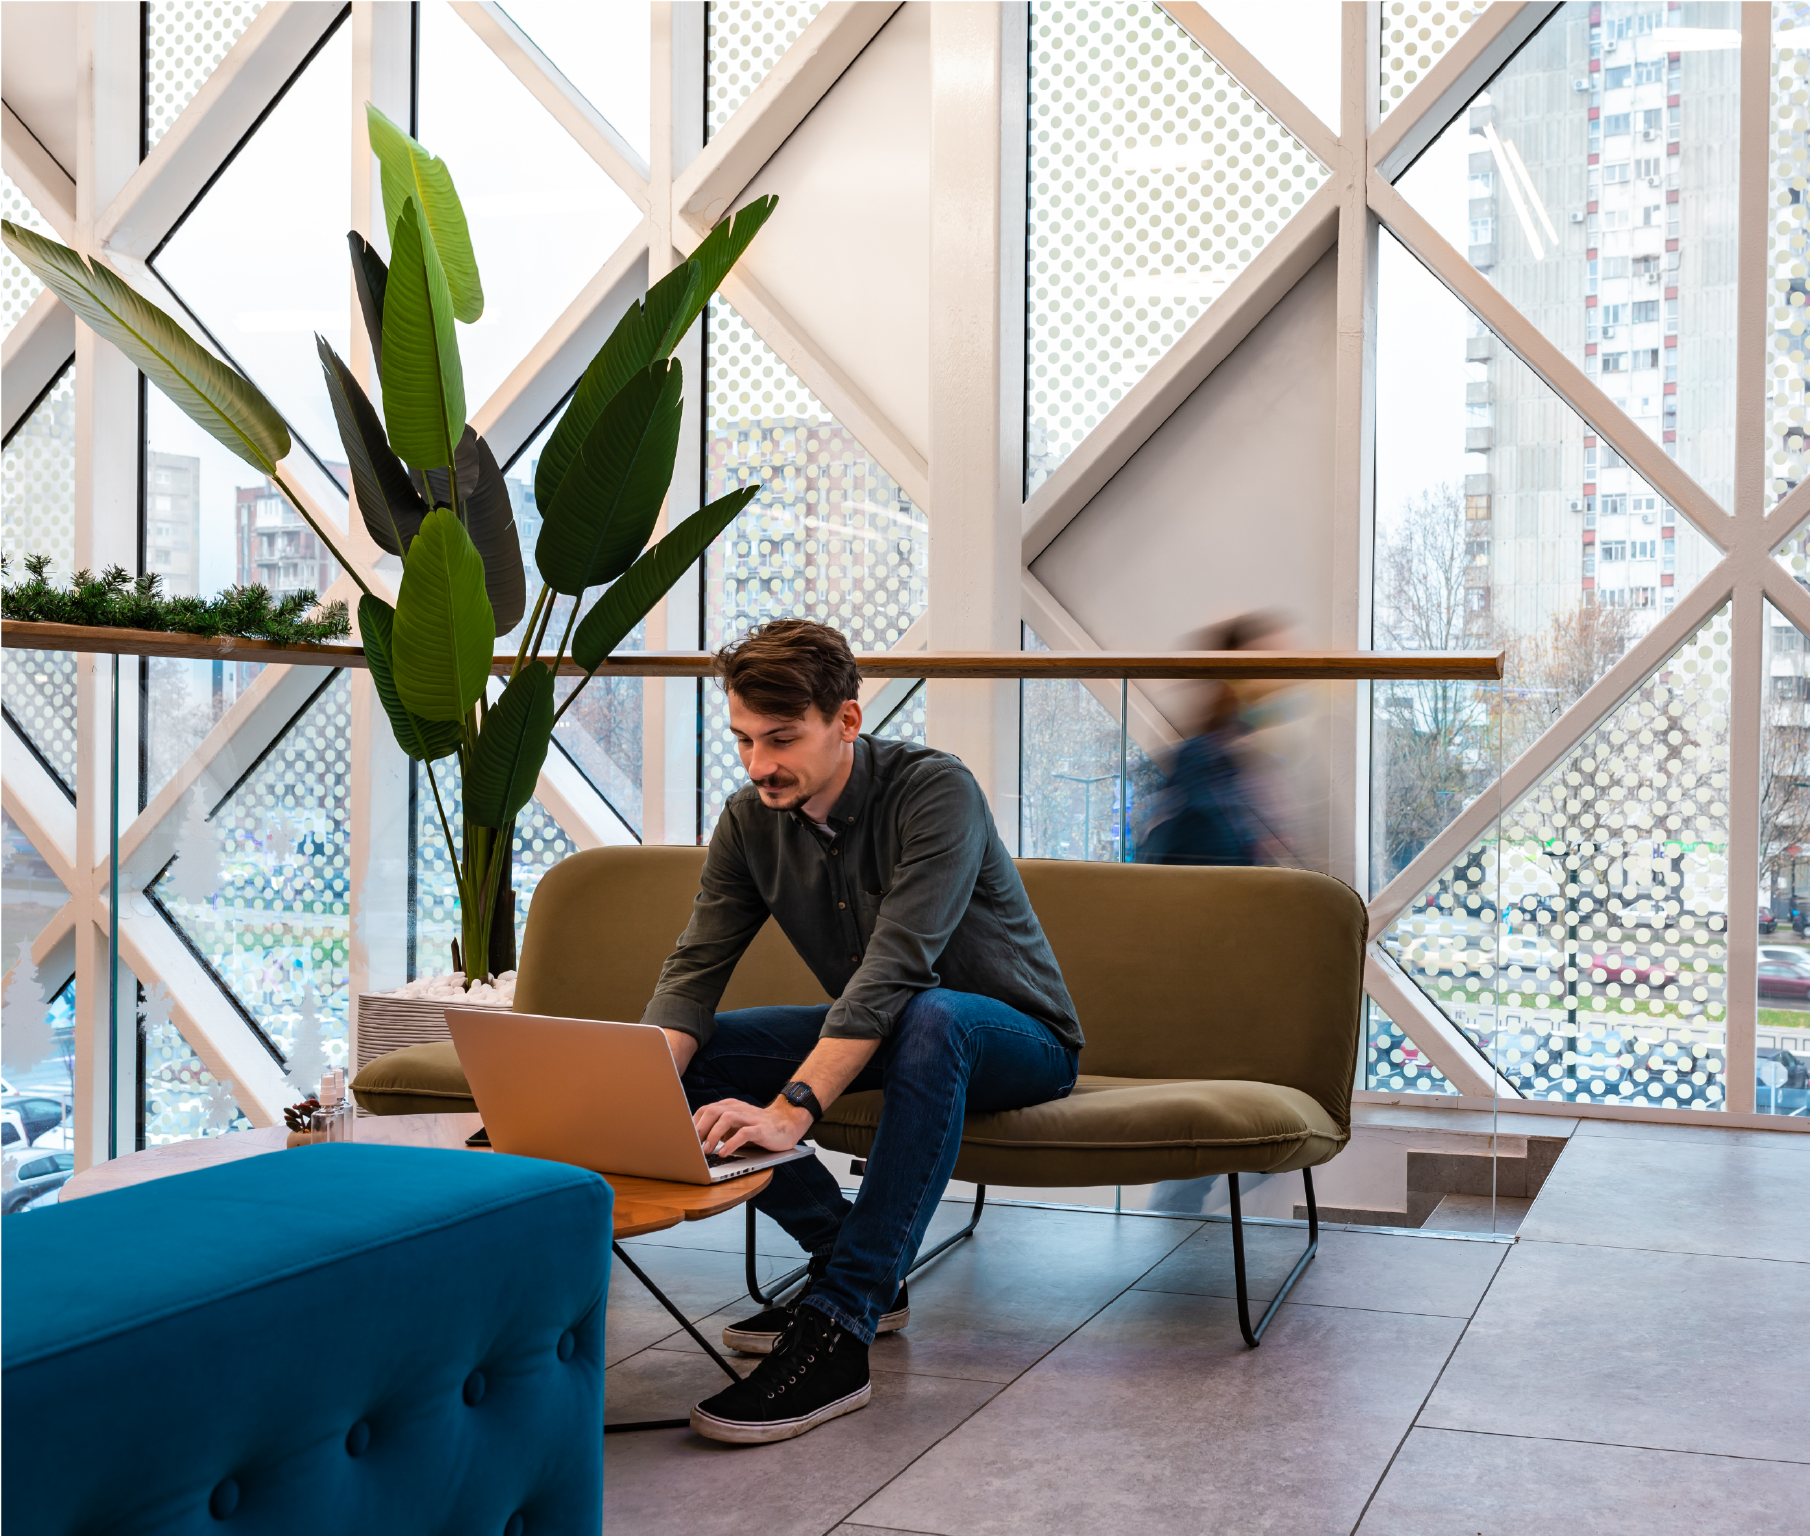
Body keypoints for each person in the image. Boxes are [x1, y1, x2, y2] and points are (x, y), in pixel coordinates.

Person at [641, 619, 1082, 1445]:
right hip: (896, 1027)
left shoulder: (934, 791)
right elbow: (694, 971)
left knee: (933, 1012)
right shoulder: (750, 820)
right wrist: (634, 1087)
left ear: (846, 720)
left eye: (781, 738)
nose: (759, 763)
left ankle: (839, 1324)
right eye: (741, 740)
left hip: (1016, 1039)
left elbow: (897, 971)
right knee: (702, 1053)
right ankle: (852, 1257)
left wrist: (793, 1108)